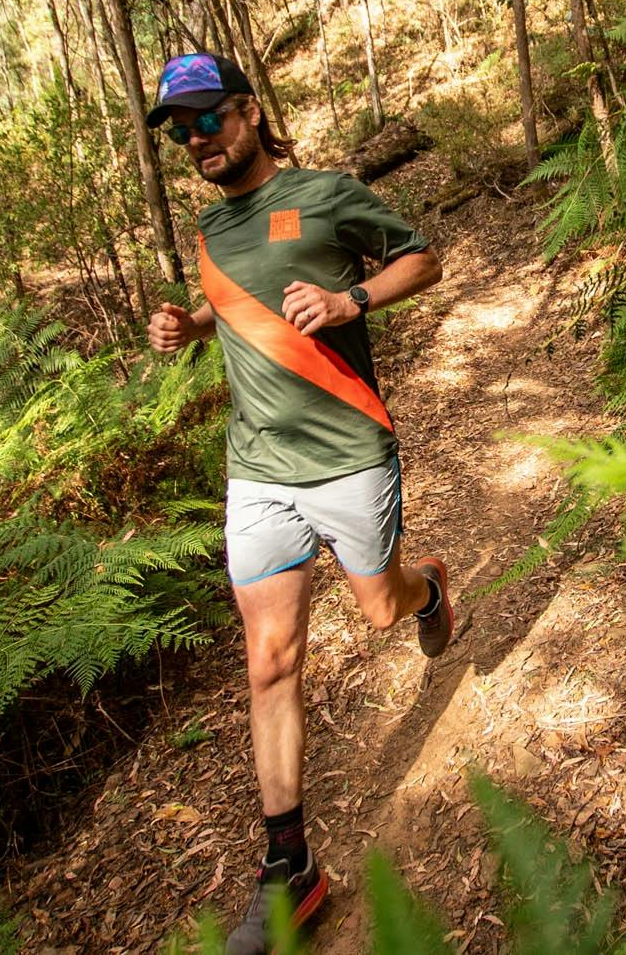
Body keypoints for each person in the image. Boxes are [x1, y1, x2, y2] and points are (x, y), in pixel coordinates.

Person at [142, 52, 451, 955]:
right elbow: (234, 303)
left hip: (348, 451)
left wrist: (351, 298)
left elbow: (423, 259)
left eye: (208, 119)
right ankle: (291, 866)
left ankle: (427, 587)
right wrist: (190, 325)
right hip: (258, 470)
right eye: (181, 130)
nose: (197, 140)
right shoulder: (209, 228)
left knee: (380, 610)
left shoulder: (325, 194)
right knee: (270, 659)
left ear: (248, 111)